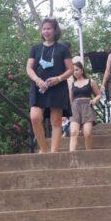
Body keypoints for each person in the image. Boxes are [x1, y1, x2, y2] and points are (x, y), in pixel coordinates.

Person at [26, 18, 74, 153]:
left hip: (57, 88)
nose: (46, 31)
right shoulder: (35, 49)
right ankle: (43, 150)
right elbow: (29, 68)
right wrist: (37, 80)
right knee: (35, 117)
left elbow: (70, 69)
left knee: (56, 121)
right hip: (39, 88)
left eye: (49, 28)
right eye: (44, 29)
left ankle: (53, 153)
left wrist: (58, 79)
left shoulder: (63, 48)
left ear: (55, 30)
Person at [67, 60, 102, 151]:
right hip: (75, 108)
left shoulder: (91, 81)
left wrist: (94, 100)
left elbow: (99, 94)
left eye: (77, 69)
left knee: (87, 133)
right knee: (74, 132)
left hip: (87, 107)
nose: (75, 72)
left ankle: (88, 153)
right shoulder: (72, 84)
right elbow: (70, 100)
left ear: (82, 70)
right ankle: (71, 156)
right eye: (73, 70)